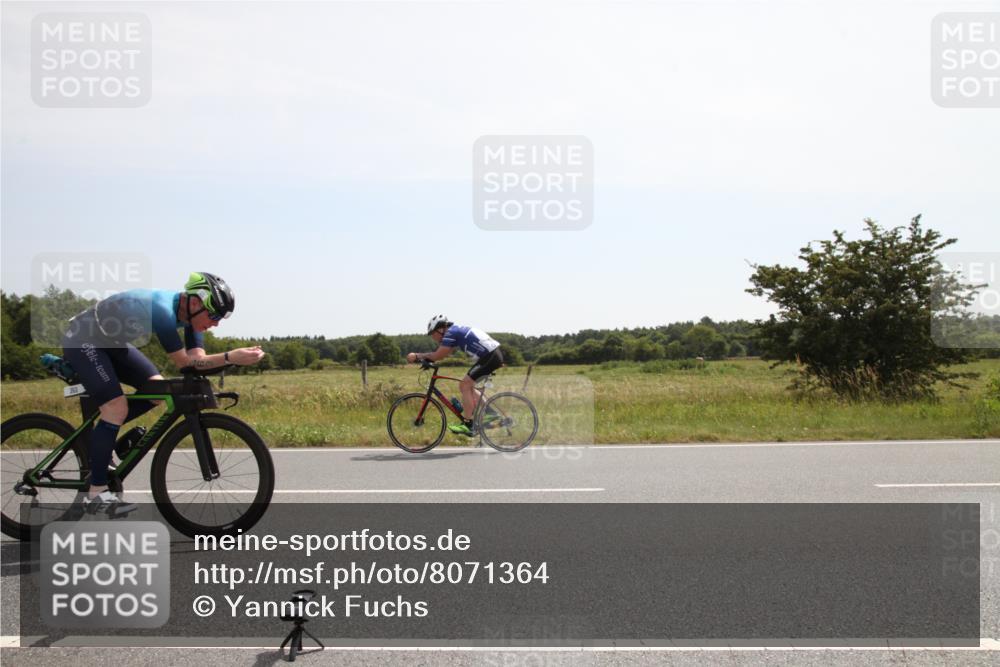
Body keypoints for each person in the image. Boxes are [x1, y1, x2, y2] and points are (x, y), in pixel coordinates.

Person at [61, 272, 265, 514]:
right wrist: (231, 356)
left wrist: (233, 360)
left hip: (111, 344)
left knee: (157, 391)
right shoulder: (162, 311)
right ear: (195, 302)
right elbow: (185, 364)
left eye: (220, 318)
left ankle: (102, 441)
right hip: (84, 339)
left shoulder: (191, 317)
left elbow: (198, 359)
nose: (216, 323)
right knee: (116, 407)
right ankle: (94, 493)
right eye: (213, 315)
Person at [406, 315, 503, 436]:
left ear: (440, 329)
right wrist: (428, 360)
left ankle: (468, 425)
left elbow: (438, 355)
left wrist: (417, 355)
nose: (432, 337)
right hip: (491, 356)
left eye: (432, 333)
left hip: (490, 357)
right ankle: (490, 413)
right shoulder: (454, 332)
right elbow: (445, 352)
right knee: (467, 386)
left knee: (464, 385)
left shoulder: (451, 332)